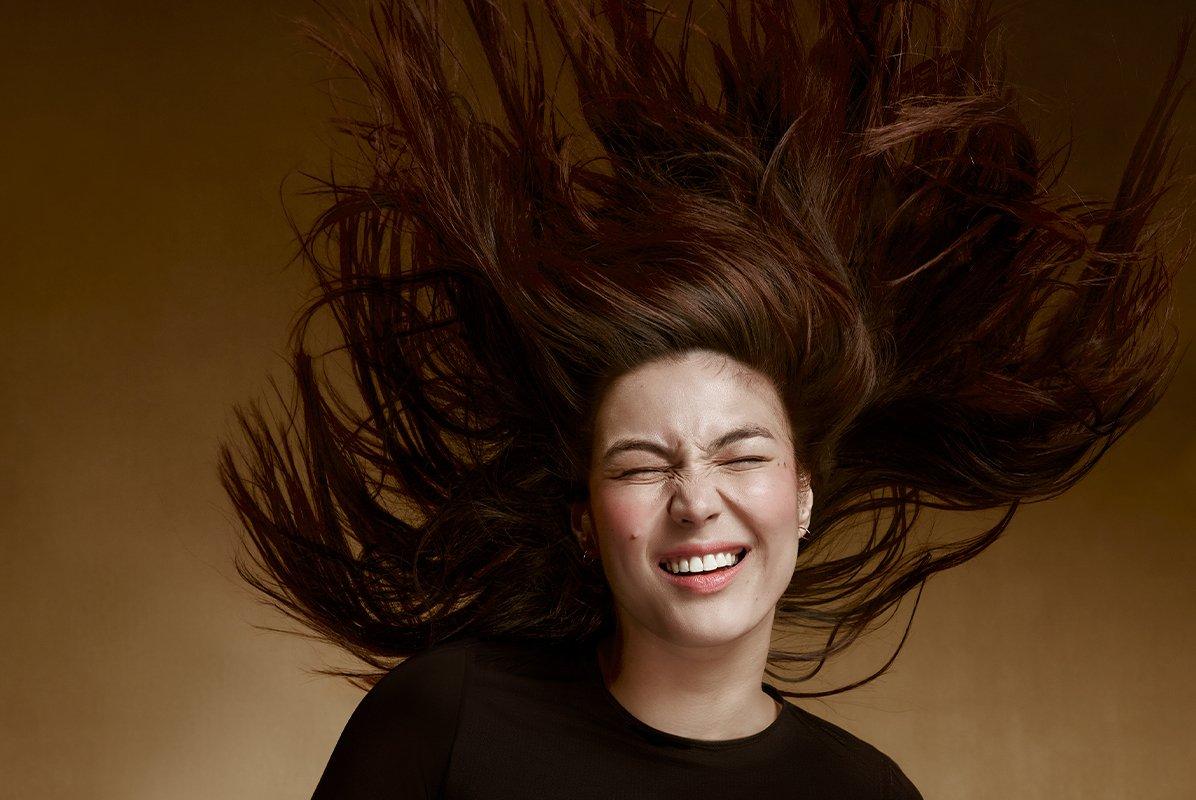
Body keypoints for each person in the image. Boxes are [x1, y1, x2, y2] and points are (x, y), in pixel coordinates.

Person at [217, 0, 1192, 797]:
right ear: (581, 521)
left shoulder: (863, 795)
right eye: (642, 462)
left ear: (801, 495)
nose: (695, 496)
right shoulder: (442, 717)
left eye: (739, 452)